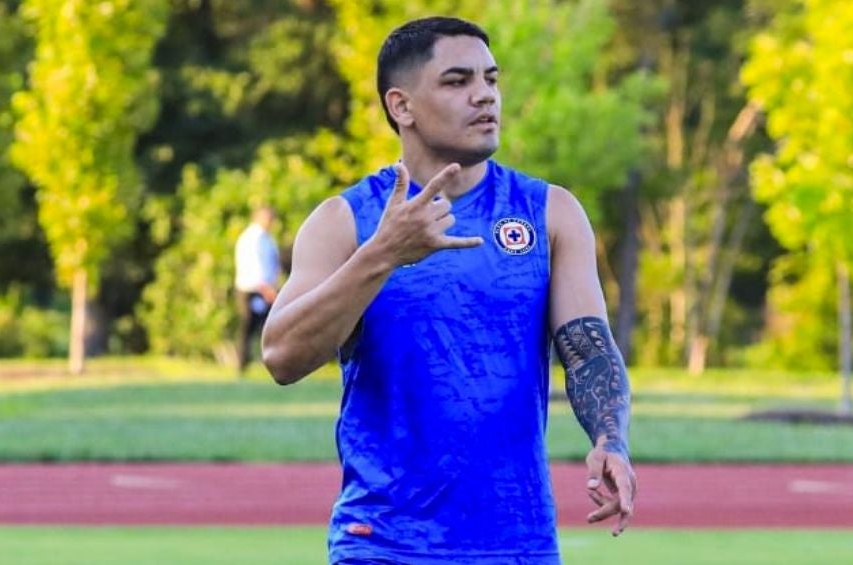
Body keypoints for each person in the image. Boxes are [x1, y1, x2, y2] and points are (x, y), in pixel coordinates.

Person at [261, 16, 636, 564]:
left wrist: (611, 439)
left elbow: (588, 350)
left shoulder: (550, 213)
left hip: (519, 543)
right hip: (383, 544)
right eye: (458, 81)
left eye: (491, 78)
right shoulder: (344, 221)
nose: (484, 95)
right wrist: (383, 253)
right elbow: (281, 356)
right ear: (401, 106)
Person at [234, 205, 281, 375]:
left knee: (267, 328)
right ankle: (242, 364)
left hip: (265, 289)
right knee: (248, 328)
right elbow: (254, 267)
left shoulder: (268, 239)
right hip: (252, 289)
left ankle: (271, 363)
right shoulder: (252, 239)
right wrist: (266, 289)